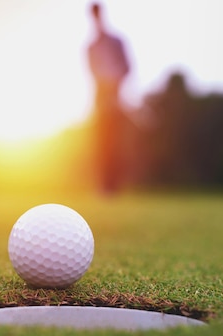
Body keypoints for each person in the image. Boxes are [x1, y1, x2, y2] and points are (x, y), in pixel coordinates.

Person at [86, 2, 130, 193]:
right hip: (100, 98)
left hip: (116, 97)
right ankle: (104, 186)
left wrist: (115, 86)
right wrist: (103, 90)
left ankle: (114, 186)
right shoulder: (91, 47)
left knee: (116, 143)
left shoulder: (116, 42)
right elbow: (92, 72)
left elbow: (127, 67)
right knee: (101, 144)